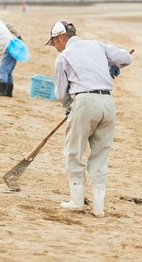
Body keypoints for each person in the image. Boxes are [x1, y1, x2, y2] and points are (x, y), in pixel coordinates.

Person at [46, 20, 133, 217]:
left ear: (61, 37)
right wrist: (112, 66)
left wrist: (70, 106)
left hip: (84, 101)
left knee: (74, 151)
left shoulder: (63, 57)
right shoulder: (97, 45)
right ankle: (99, 208)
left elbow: (61, 94)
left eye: (53, 42)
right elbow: (126, 58)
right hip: (108, 103)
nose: (55, 47)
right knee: (101, 154)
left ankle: (77, 201)